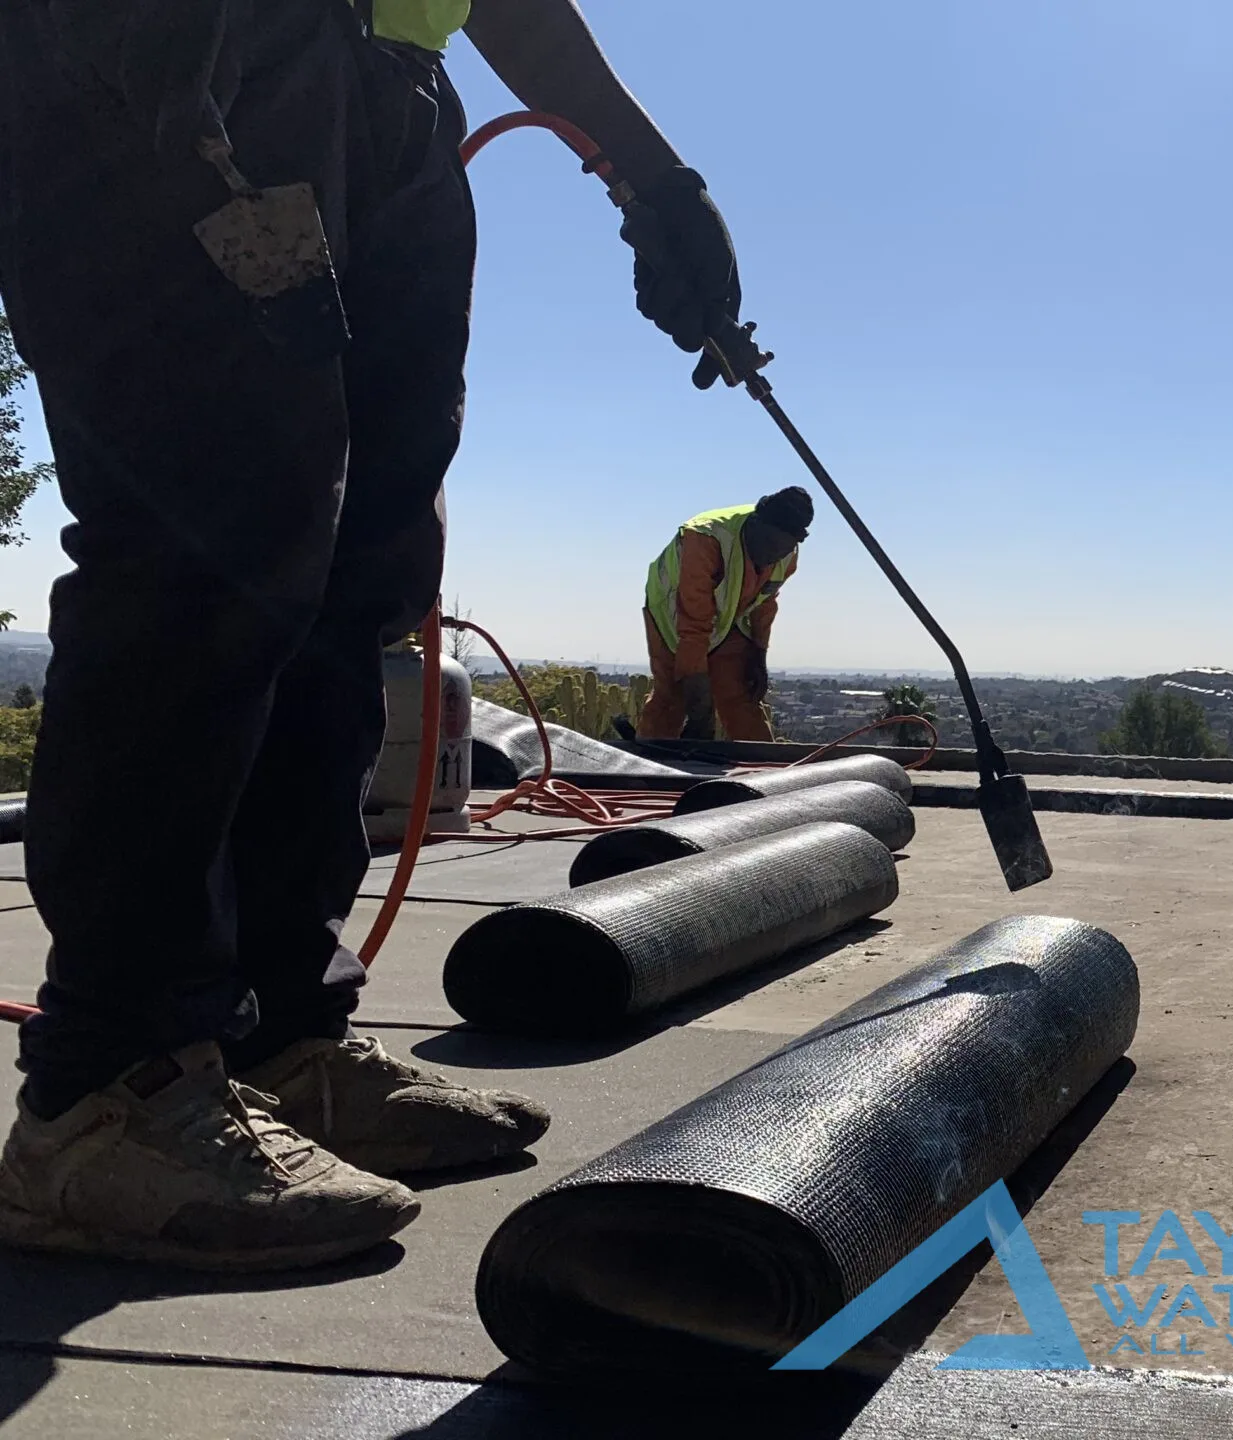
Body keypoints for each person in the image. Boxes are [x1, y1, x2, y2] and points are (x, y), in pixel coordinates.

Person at [0, 0, 758, 1270]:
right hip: (171, 44)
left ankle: (277, 1039)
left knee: (359, 573)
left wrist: (650, 169)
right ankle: (106, 1089)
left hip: (385, 91)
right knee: (203, 540)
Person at [636, 488, 811, 743]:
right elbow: (694, 625)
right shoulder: (706, 539)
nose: (772, 556)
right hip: (672, 614)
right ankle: (647, 772)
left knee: (742, 695)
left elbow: (765, 603)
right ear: (755, 523)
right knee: (672, 698)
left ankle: (764, 773)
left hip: (728, 619)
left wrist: (758, 654)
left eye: (782, 549)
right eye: (770, 544)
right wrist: (699, 708)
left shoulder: (787, 554)